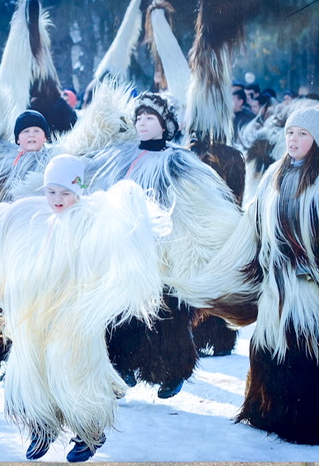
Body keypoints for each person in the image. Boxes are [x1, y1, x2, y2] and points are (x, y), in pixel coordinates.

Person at [0, 153, 170, 462]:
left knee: (75, 372)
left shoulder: (90, 221)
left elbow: (118, 242)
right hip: (33, 318)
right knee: (31, 371)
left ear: (79, 191)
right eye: (51, 191)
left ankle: (89, 431)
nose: (57, 199)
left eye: (65, 193)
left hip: (72, 321)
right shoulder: (28, 214)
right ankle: (41, 427)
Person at [87, 92, 242, 399]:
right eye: (139, 118)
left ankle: (173, 371)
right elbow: (91, 180)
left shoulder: (179, 160)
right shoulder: (119, 154)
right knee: (122, 309)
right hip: (124, 247)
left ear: (164, 124)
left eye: (150, 118)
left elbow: (202, 201)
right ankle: (122, 367)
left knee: (168, 311)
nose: (143, 123)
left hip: (165, 249)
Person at [231, 107, 319, 445]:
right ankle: (268, 412)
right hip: (275, 285)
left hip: (307, 287)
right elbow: (253, 225)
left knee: (302, 350)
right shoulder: (273, 175)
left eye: (303, 134)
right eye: (291, 133)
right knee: (270, 348)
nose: (294, 140)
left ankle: (304, 423)